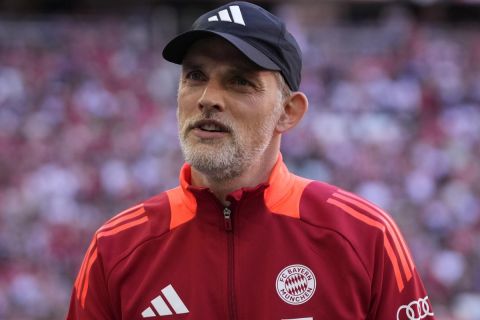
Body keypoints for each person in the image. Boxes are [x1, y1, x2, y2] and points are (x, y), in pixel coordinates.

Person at [67, 1, 435, 319]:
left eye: (239, 81)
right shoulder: (115, 249)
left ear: (288, 112)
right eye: (195, 76)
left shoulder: (365, 236)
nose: (208, 98)